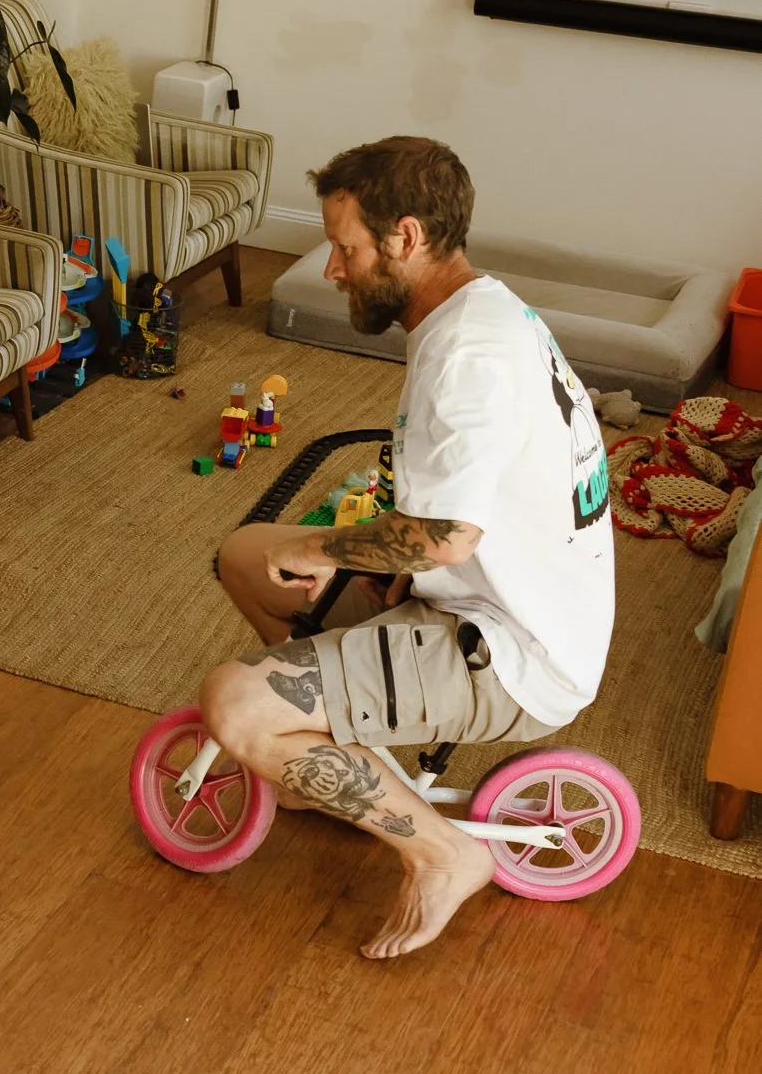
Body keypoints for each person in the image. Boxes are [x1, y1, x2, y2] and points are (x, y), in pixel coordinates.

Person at [200, 135, 613, 961]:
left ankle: (443, 853)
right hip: (479, 594)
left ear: (406, 238)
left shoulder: (467, 355)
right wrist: (349, 557)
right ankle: (334, 752)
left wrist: (329, 550)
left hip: (509, 647)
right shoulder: (476, 309)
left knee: (234, 703)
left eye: (343, 246)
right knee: (247, 552)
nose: (331, 268)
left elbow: (446, 537)